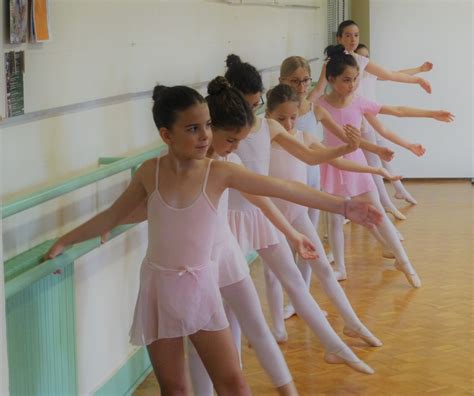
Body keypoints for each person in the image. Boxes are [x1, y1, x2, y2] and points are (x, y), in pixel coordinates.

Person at [45, 84, 384, 390]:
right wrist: (66, 239)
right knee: (174, 388)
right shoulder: (151, 172)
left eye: (207, 125)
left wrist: (343, 206)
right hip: (158, 288)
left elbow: (284, 188)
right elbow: (114, 216)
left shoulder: (220, 171)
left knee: (233, 381)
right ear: (166, 135)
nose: (205, 135)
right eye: (193, 129)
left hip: (200, 287)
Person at [316, 45, 454, 285]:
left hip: (357, 164)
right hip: (333, 163)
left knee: (377, 212)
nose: (353, 84)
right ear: (331, 79)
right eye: (347, 80)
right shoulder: (320, 105)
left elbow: (397, 111)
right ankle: (340, 267)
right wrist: (376, 149)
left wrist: (431, 113)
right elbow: (342, 135)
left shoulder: (358, 101)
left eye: (356, 79)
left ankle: (404, 261)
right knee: (335, 219)